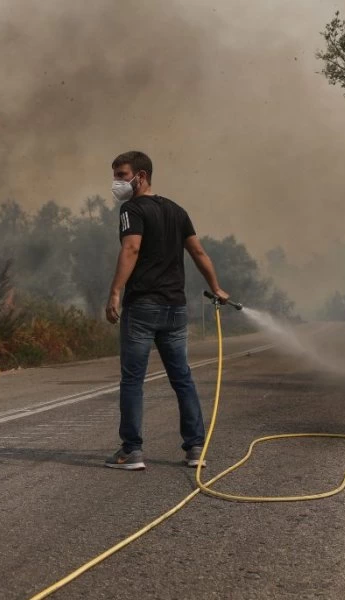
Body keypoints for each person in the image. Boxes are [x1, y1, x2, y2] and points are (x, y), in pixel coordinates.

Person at [104, 150, 229, 471]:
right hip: (175, 309)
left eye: (121, 175)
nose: (116, 182)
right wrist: (216, 287)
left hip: (143, 307)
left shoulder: (131, 209)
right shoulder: (177, 210)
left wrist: (115, 292)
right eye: (115, 175)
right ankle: (195, 448)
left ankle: (131, 451)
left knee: (133, 380)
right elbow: (198, 251)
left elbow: (131, 248)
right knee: (182, 378)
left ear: (140, 176)